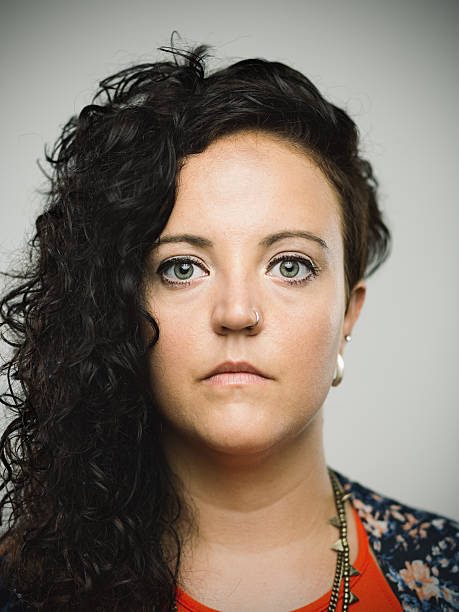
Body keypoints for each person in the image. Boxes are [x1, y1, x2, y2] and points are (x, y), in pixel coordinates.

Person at [0, 39, 457, 612]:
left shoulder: (449, 573)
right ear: (122, 307)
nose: (237, 313)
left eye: (290, 266)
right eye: (182, 268)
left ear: (348, 314)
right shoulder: (22, 589)